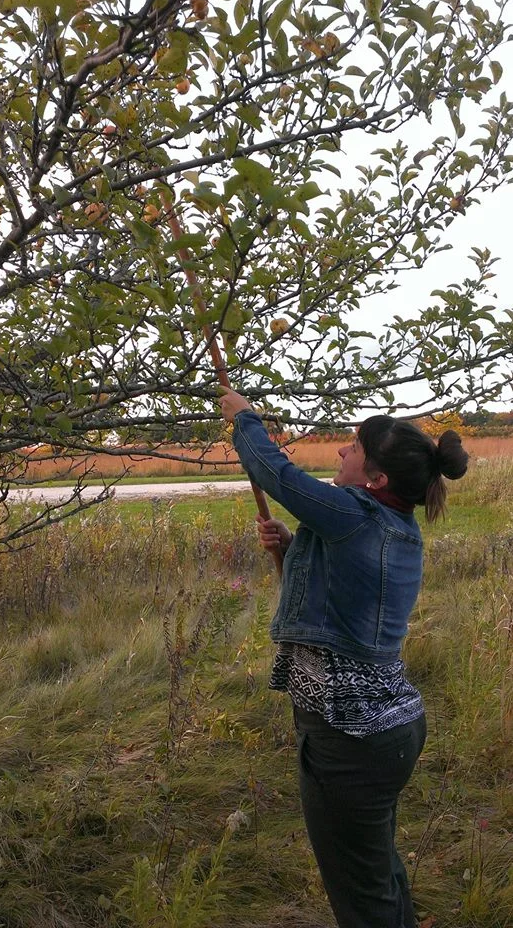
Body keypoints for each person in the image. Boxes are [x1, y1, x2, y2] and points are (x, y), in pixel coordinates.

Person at [218, 389, 469, 928]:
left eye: (352, 447)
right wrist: (293, 548)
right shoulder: (397, 529)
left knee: (361, 896)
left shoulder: (354, 514)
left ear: (376, 479)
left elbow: (279, 476)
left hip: (349, 738)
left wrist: (245, 420)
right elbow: (346, 599)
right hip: (387, 732)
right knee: (377, 874)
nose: (340, 452)